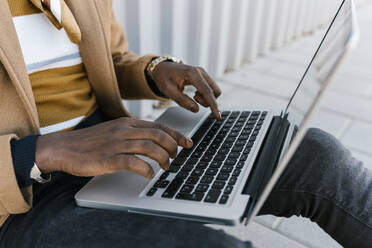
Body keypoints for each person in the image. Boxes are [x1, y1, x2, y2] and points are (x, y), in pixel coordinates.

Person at [0, 1, 370, 247]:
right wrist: (46, 150)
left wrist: (154, 70)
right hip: (24, 199)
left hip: (121, 149)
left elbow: (109, 58)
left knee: (318, 157)